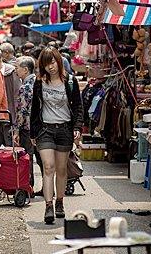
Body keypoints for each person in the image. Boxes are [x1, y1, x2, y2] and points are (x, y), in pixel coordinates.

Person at [31, 47, 84, 224]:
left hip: (64, 130)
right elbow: (34, 109)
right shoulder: (39, 83)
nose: (50, 67)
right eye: (46, 64)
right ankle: (48, 206)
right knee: (48, 166)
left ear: (58, 61)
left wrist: (77, 127)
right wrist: (33, 132)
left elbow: (78, 106)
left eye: (52, 62)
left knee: (61, 170)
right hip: (45, 130)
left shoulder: (70, 81)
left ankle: (60, 202)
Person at [13, 56, 37, 188]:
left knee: (27, 156)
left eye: (17, 68)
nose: (15, 71)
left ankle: (28, 185)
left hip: (27, 128)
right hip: (40, 126)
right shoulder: (39, 82)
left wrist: (16, 129)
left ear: (25, 69)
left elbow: (22, 110)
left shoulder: (26, 87)